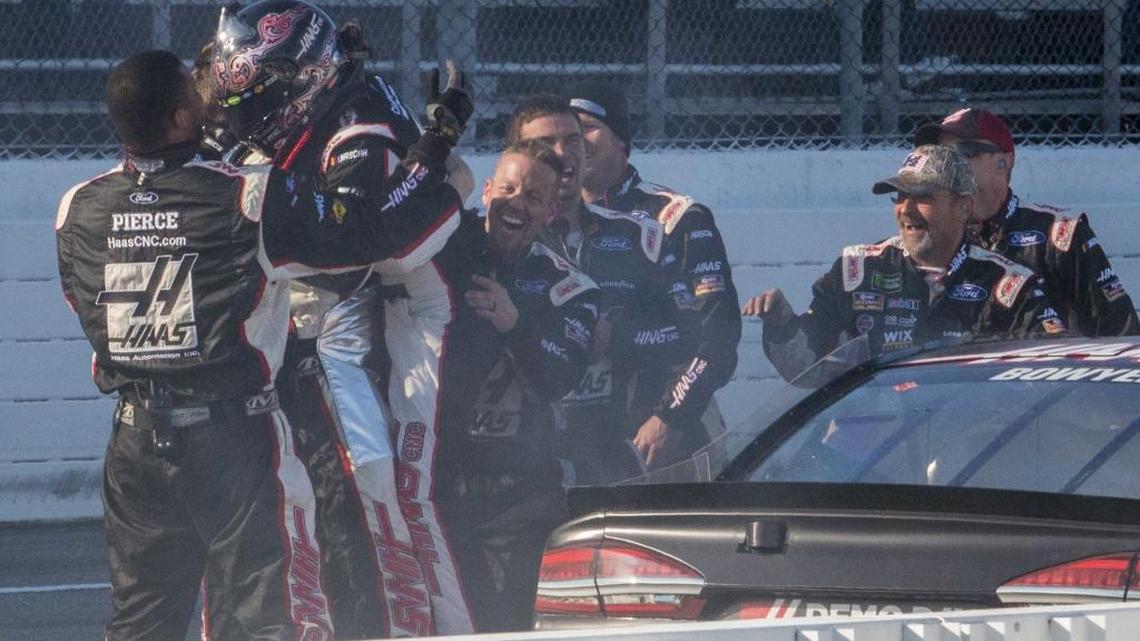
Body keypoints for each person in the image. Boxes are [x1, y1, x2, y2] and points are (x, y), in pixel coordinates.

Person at [55, 49, 471, 641]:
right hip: (232, 435)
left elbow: (80, 302)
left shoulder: (76, 207)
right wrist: (433, 147)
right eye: (193, 92)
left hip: (133, 443)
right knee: (263, 615)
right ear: (179, 118)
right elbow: (373, 233)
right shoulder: (247, 197)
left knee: (140, 621)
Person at [211, 1, 477, 635]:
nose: (241, 116)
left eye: (256, 97)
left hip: (399, 323)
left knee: (393, 492)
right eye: (235, 99)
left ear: (307, 76)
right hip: (324, 328)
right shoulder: (316, 109)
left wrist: (435, 151)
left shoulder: (360, 127)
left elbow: (373, 242)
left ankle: (426, 626)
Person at [436, 142, 599, 632]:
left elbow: (560, 377)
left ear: (551, 212)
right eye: (507, 188)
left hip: (514, 503)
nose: (516, 203)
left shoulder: (569, 288)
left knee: (501, 628)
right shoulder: (440, 250)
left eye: (533, 197)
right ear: (487, 191)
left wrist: (515, 324)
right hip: (430, 487)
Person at [744, 144, 1065, 383]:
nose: (906, 209)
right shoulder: (858, 271)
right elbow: (808, 372)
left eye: (923, 197)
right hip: (875, 443)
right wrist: (783, 325)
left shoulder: (1007, 286)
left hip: (967, 442)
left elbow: (1049, 374)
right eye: (899, 197)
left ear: (963, 208)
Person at [566, 79, 741, 469]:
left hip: (667, 430)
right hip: (582, 439)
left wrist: (671, 418)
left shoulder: (676, 216)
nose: (578, 142)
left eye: (589, 127)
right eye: (569, 133)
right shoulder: (546, 218)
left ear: (622, 141)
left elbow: (718, 336)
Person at [507, 94, 673, 485]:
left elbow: (686, 335)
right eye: (545, 144)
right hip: (524, 464)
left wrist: (618, 337)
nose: (562, 154)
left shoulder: (638, 236)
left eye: (573, 140)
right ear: (515, 156)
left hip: (617, 453)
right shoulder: (494, 242)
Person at [914, 107, 1138, 337]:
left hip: (1048, 359)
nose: (946, 167)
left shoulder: (1059, 233)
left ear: (1003, 162)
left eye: (962, 153)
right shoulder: (928, 235)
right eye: (939, 157)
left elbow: (1121, 331)